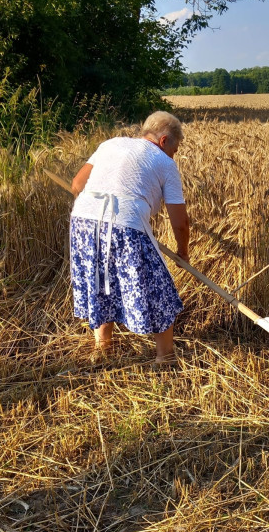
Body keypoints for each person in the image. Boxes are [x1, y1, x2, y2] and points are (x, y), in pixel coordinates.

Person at [69, 111, 189, 364]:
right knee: (158, 289)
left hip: (82, 221)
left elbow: (77, 185)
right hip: (126, 225)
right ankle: (165, 357)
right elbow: (180, 221)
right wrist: (183, 252)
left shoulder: (110, 144)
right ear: (164, 140)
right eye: (174, 149)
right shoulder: (165, 162)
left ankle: (102, 350)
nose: (173, 155)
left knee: (101, 282)